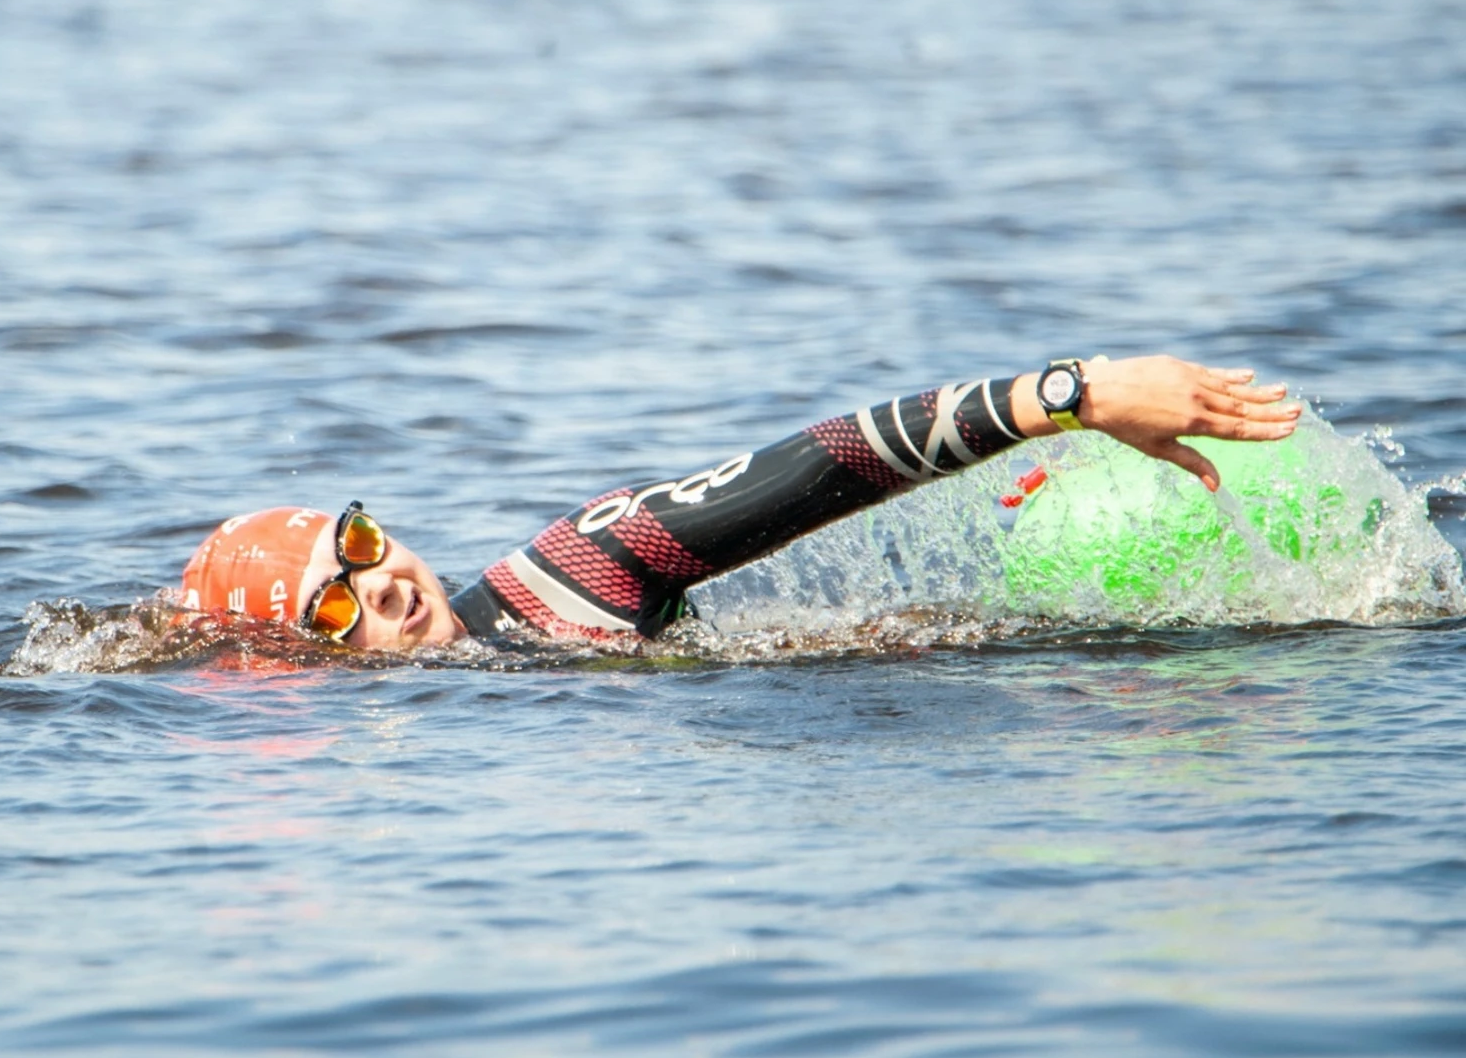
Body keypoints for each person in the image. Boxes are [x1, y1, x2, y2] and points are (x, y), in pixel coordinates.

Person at [178, 355, 1301, 650]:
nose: (384, 589)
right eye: (335, 608)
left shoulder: (576, 569)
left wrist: (1067, 394)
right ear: (299, 661)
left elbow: (811, 467)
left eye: (362, 543)